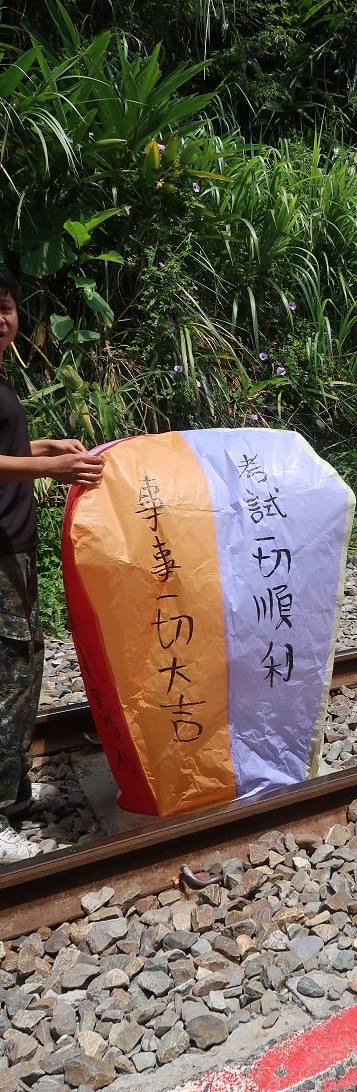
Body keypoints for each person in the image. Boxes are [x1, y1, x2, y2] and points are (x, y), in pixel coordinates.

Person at [0, 265, 105, 863]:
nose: (1, 318)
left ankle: (13, 795)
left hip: (13, 548)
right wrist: (51, 470)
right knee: (7, 679)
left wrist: (43, 449)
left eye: (8, 306)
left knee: (25, 667)